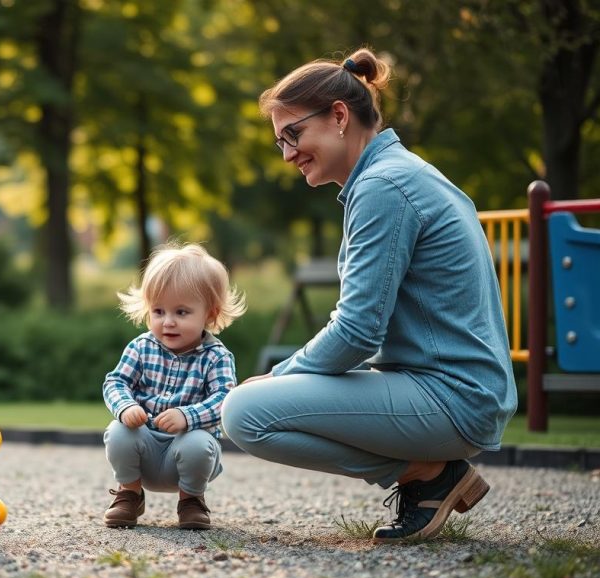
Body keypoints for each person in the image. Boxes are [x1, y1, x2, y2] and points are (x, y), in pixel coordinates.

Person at [221, 48, 517, 543]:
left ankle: (428, 474)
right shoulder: (400, 174)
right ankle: (430, 474)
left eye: (293, 134)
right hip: (458, 390)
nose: (288, 153)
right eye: (280, 143)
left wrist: (277, 376)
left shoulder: (384, 186)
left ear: (339, 116)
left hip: (452, 397)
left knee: (244, 413)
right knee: (251, 404)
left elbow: (358, 330)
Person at [102, 242, 245, 530]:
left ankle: (191, 500)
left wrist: (187, 416)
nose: (168, 322)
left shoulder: (216, 357)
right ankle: (129, 493)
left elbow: (225, 398)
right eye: (158, 311)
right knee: (118, 432)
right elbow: (116, 381)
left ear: (210, 314)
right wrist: (125, 406)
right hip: (145, 452)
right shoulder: (141, 347)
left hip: (187, 454)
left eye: (181, 312)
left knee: (197, 443)